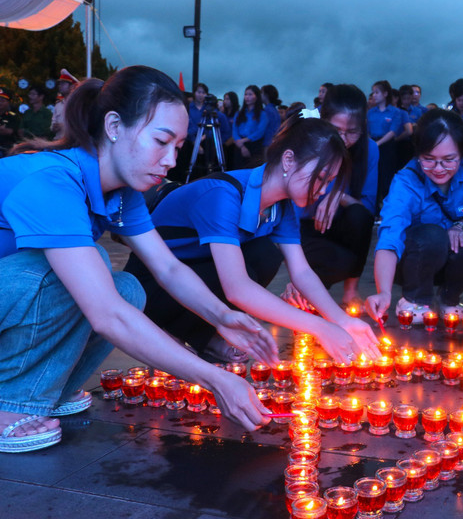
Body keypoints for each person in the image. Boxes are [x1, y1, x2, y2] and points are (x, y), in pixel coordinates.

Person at [0, 66, 279, 452]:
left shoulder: (123, 193)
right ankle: (10, 406)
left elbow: (167, 268)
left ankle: (51, 388)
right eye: (161, 141)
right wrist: (214, 379)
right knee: (81, 272)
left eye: (178, 147)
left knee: (128, 288)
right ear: (114, 126)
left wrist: (221, 316)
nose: (170, 161)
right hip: (13, 289)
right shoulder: (52, 180)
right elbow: (106, 314)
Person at [124, 114, 380, 366]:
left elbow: (301, 272)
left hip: (196, 277)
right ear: (288, 160)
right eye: (321, 178)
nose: (323, 190)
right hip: (153, 286)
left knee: (264, 253)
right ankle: (167, 330)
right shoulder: (223, 195)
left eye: (329, 182)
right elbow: (237, 288)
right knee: (252, 261)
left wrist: (340, 320)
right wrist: (320, 328)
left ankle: (205, 335)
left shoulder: (282, 207)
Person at [366, 109, 463, 322]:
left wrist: (460, 226)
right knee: (432, 235)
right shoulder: (406, 182)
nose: (439, 169)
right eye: (428, 159)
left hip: (452, 256)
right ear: (417, 154)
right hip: (413, 260)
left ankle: (448, 298)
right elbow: (389, 238)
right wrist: (383, 292)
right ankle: (414, 299)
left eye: (449, 159)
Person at [290, 85, 378, 308]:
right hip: (306, 228)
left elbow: (367, 206)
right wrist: (324, 195)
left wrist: (338, 196)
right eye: (337, 129)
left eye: (353, 132)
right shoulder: (307, 144)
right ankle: (301, 287)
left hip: (341, 228)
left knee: (359, 217)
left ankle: (350, 291)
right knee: (333, 262)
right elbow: (293, 207)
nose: (345, 139)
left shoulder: (370, 150)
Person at [368, 80, 406, 207]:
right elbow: (367, 130)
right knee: (373, 177)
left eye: (377, 92)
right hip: (372, 144)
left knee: (386, 178)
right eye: (373, 92)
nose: (374, 95)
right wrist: (372, 144)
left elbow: (393, 131)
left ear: (385, 94)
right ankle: (374, 209)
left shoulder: (395, 112)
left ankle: (388, 208)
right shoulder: (370, 112)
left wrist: (378, 143)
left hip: (387, 146)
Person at [233, 85, 271, 169]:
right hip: (239, 144)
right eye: (246, 94)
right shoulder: (239, 113)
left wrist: (245, 140)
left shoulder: (262, 114)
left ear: (257, 96)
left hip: (254, 145)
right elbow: (234, 131)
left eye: (250, 94)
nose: (247, 97)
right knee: (237, 170)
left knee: (252, 170)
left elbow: (260, 132)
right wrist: (242, 145)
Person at [50, 69, 78, 141]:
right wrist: (54, 127)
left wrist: (63, 126)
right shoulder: (58, 105)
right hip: (58, 141)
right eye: (60, 84)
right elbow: (52, 126)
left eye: (63, 84)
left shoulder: (77, 105)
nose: (60, 86)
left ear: (72, 87)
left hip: (72, 142)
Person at [0, 87, 20, 156]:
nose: (0, 103)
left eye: (2, 101)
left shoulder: (13, 116)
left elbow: (9, 131)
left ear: (8, 102)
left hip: (7, 148)